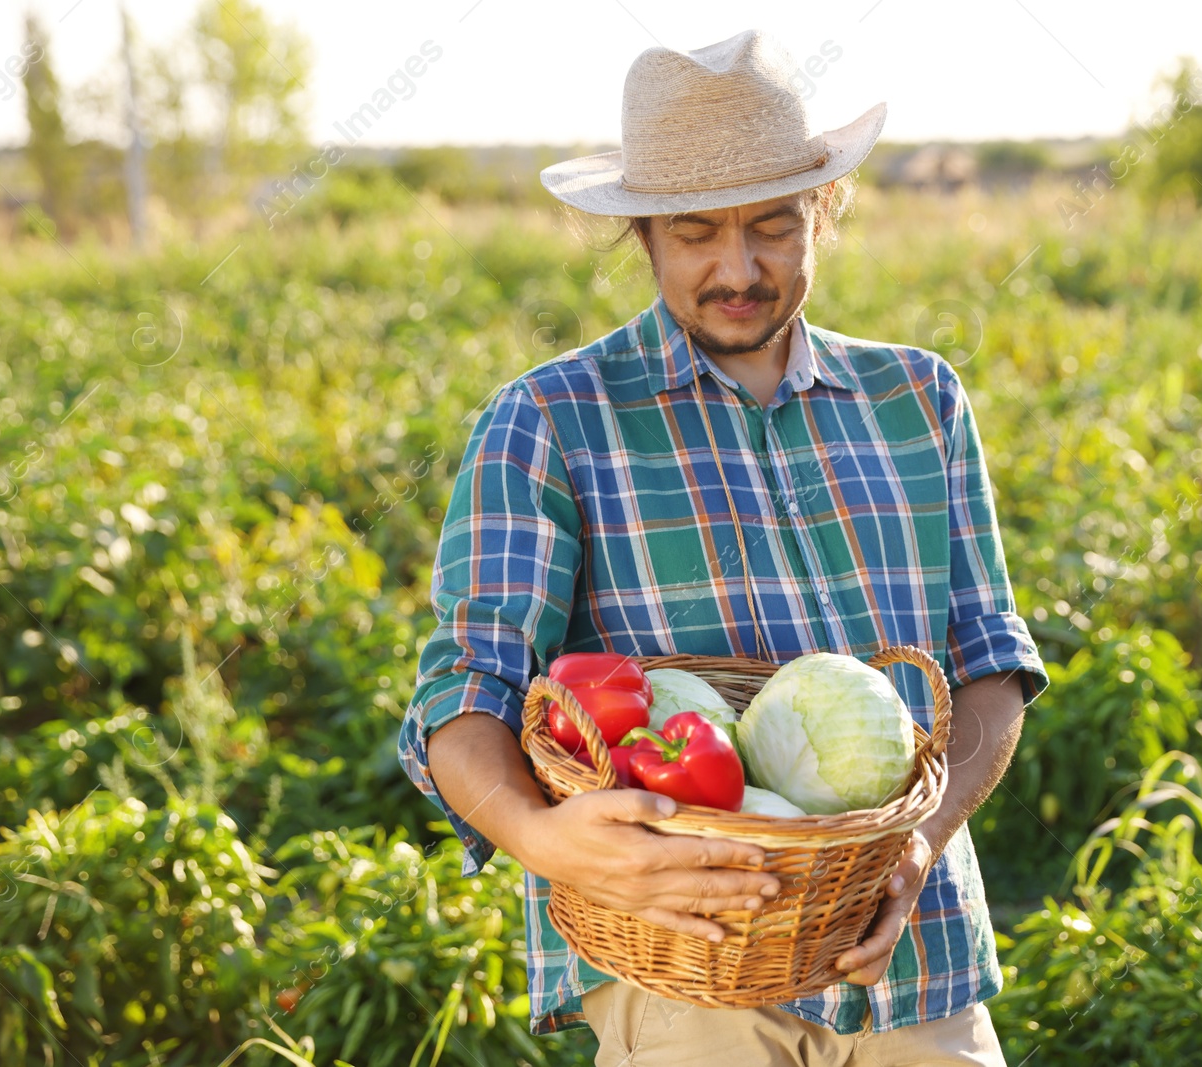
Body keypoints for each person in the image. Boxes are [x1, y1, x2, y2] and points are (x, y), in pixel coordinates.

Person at [398, 27, 1049, 1066]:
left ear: (821, 214)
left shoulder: (919, 399)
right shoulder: (552, 418)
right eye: (696, 233)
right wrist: (539, 836)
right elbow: (462, 686)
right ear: (643, 235)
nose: (737, 269)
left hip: (912, 960)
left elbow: (986, 663)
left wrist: (918, 842)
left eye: (772, 227)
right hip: (684, 971)